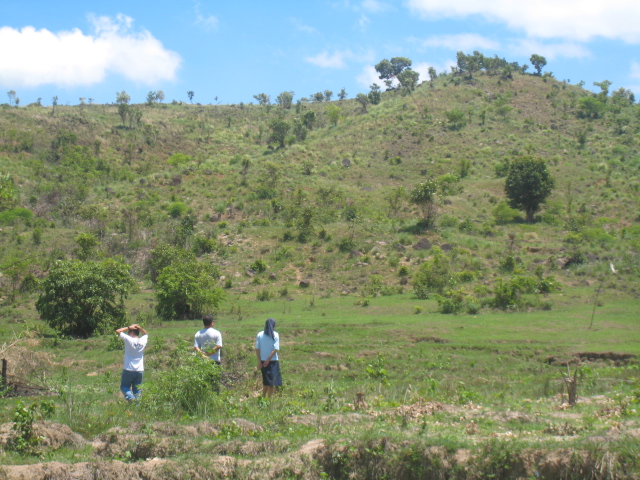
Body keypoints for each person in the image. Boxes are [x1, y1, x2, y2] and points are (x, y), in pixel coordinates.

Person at [114, 323, 148, 402]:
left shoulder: (129, 339)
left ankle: (130, 397)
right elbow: (145, 334)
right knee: (137, 390)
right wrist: (140, 328)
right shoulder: (143, 341)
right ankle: (137, 406)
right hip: (140, 370)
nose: (128, 333)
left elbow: (118, 331)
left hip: (129, 369)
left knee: (124, 387)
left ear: (131, 333)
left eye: (129, 332)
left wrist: (128, 327)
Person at [255, 318, 282, 398]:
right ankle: (268, 399)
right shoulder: (275, 334)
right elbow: (275, 349)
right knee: (271, 382)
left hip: (263, 360)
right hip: (273, 361)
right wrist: (268, 359)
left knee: (266, 381)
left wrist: (260, 360)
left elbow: (257, 348)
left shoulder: (260, 334)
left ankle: (263, 397)